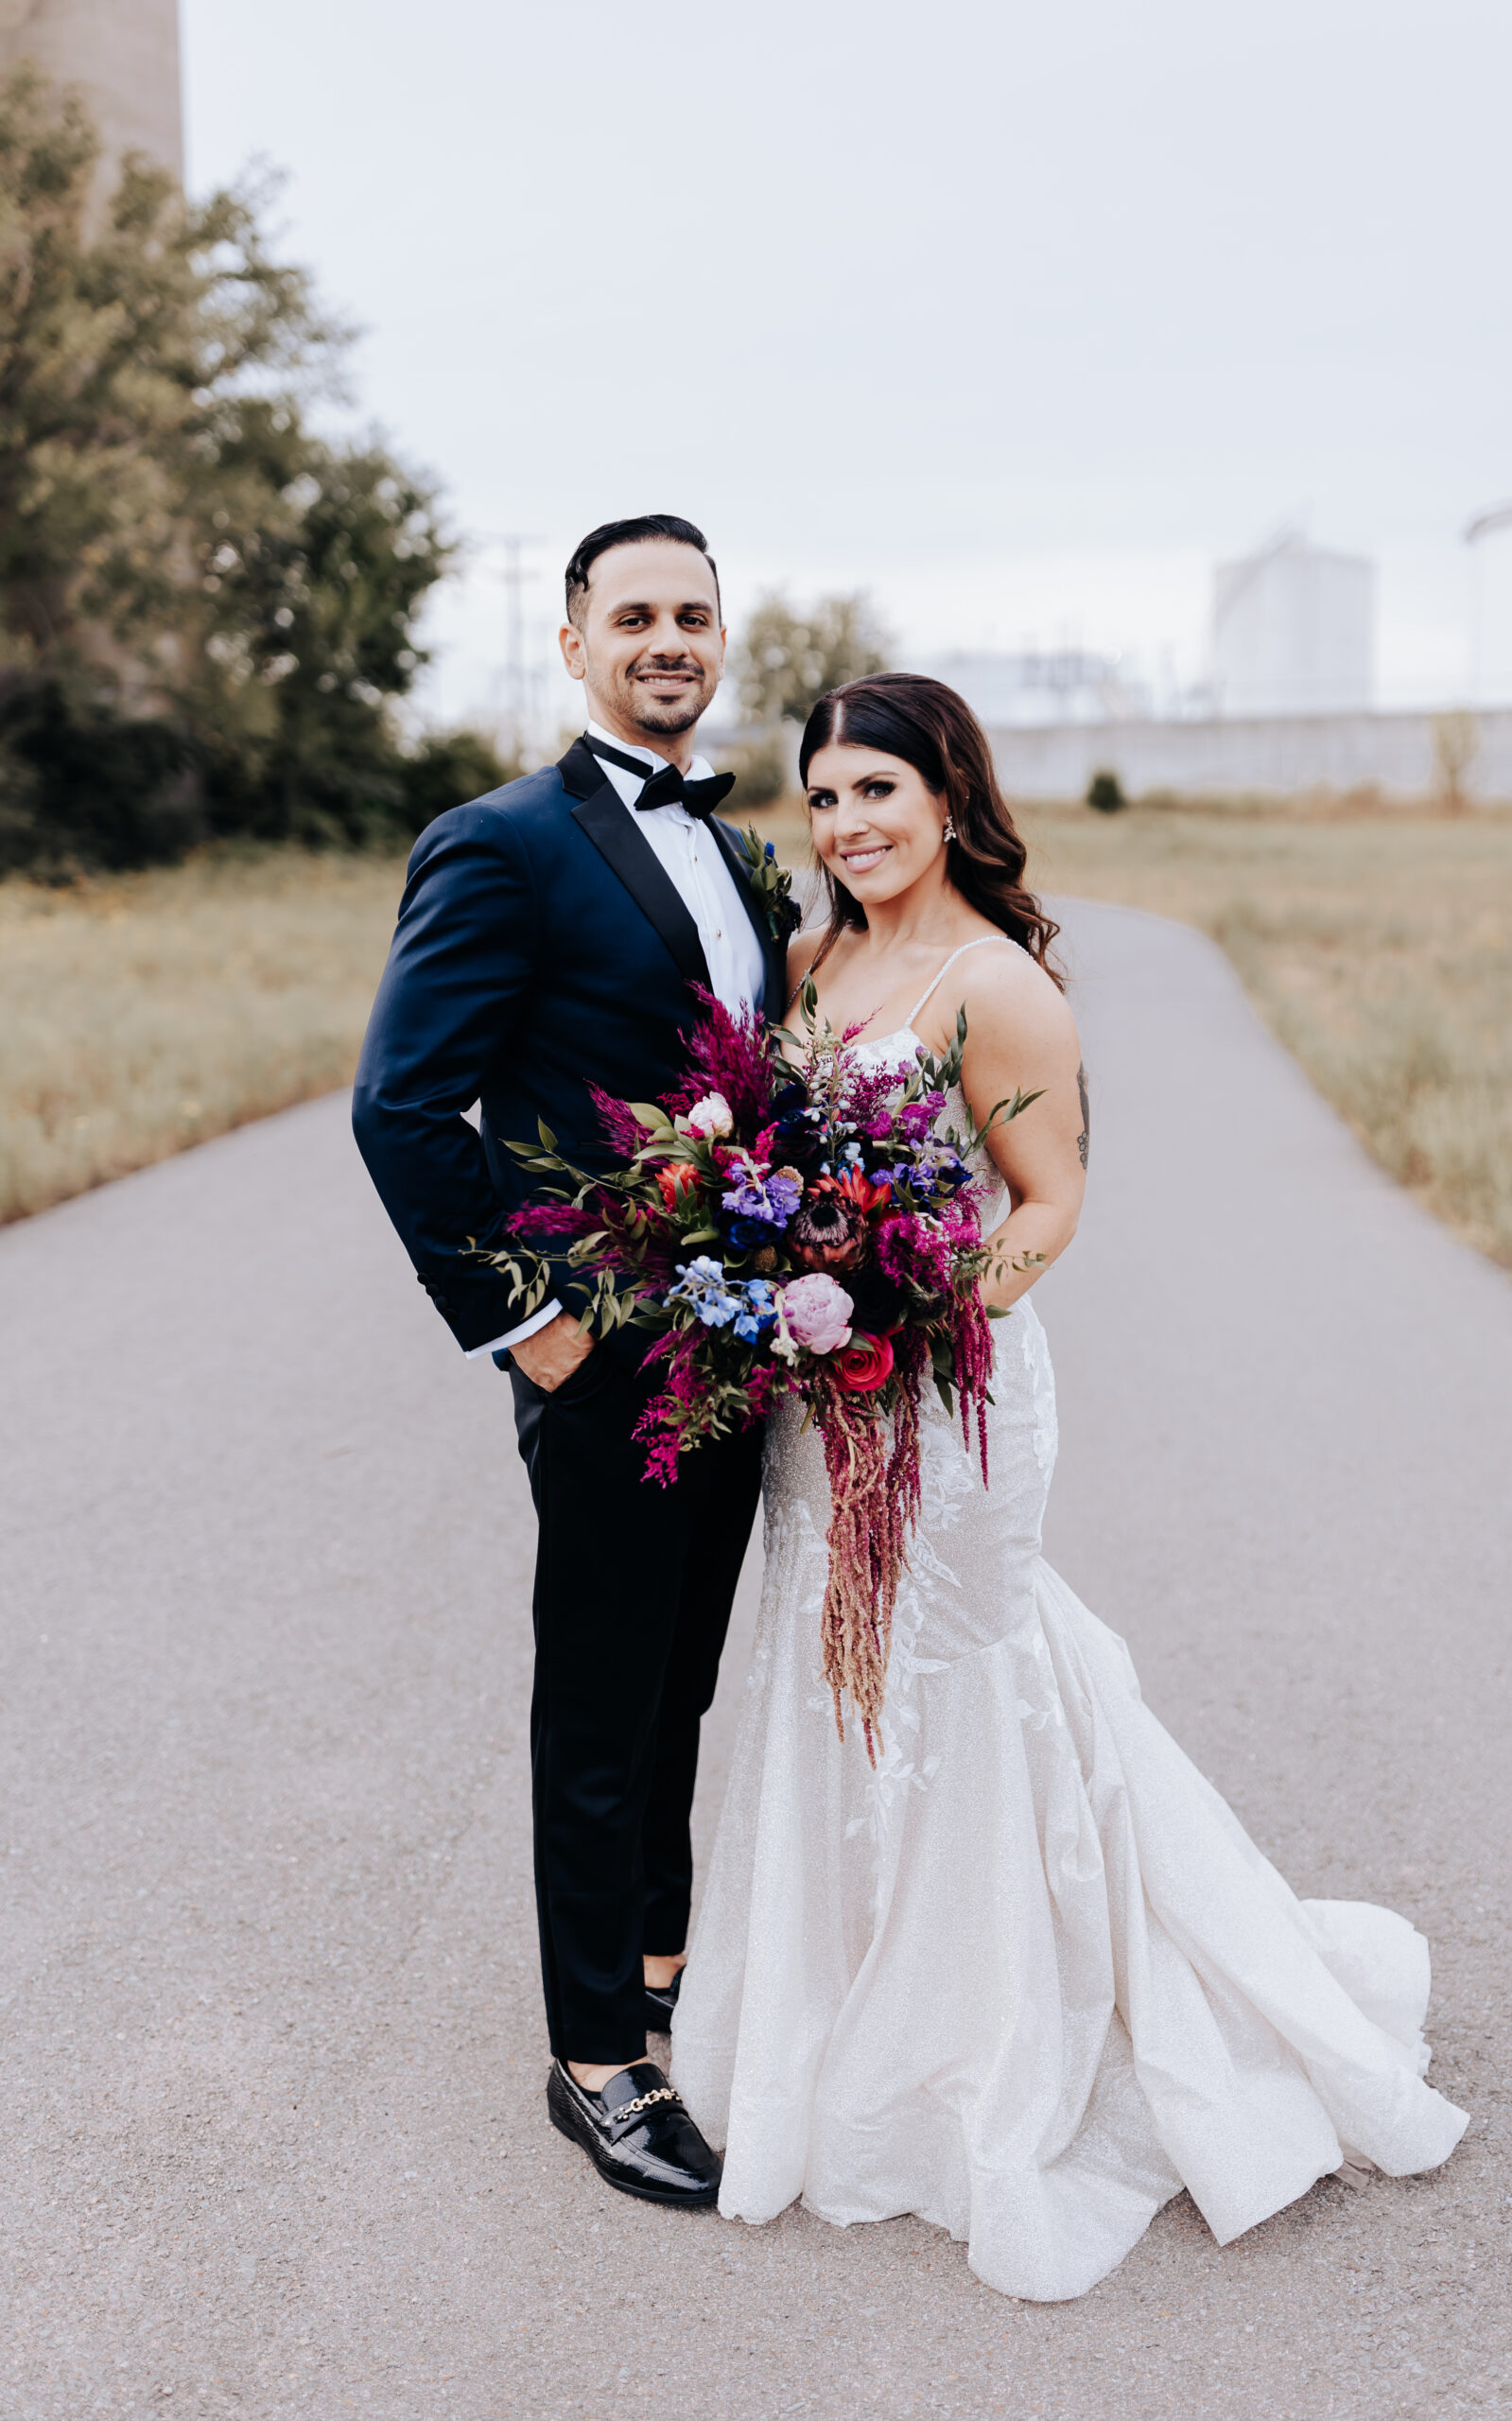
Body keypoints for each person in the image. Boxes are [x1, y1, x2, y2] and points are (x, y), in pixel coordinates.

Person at [670, 672, 1469, 2301]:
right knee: (833, 1675)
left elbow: (1046, 1206)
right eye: (824, 798)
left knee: (955, 1667)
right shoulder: (814, 968)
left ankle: (992, 2029)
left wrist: (911, 1333)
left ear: (951, 798)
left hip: (949, 1393)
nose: (848, 825)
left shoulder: (1001, 985)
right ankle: (839, 2005)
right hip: (817, 1410)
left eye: (878, 792)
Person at [353, 514, 787, 2207]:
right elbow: (403, 1106)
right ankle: (596, 2062)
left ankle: (663, 1975)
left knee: (682, 1680)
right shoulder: (502, 842)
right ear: (574, 643)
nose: (668, 639)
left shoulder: (745, 857)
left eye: (694, 614)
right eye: (636, 615)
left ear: (720, 641)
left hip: (744, 1347)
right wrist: (524, 1323)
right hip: (600, 1355)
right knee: (600, 1701)